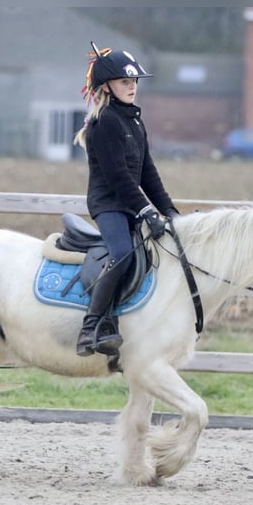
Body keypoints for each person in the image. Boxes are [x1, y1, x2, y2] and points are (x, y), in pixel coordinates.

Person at [73, 42, 179, 358]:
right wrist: (146, 210)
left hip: (131, 205)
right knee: (122, 254)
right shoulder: (104, 123)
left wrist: (170, 211)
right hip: (109, 205)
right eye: (125, 82)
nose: (132, 87)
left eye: (134, 82)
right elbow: (119, 177)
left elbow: (148, 173)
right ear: (107, 86)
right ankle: (91, 327)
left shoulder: (134, 122)